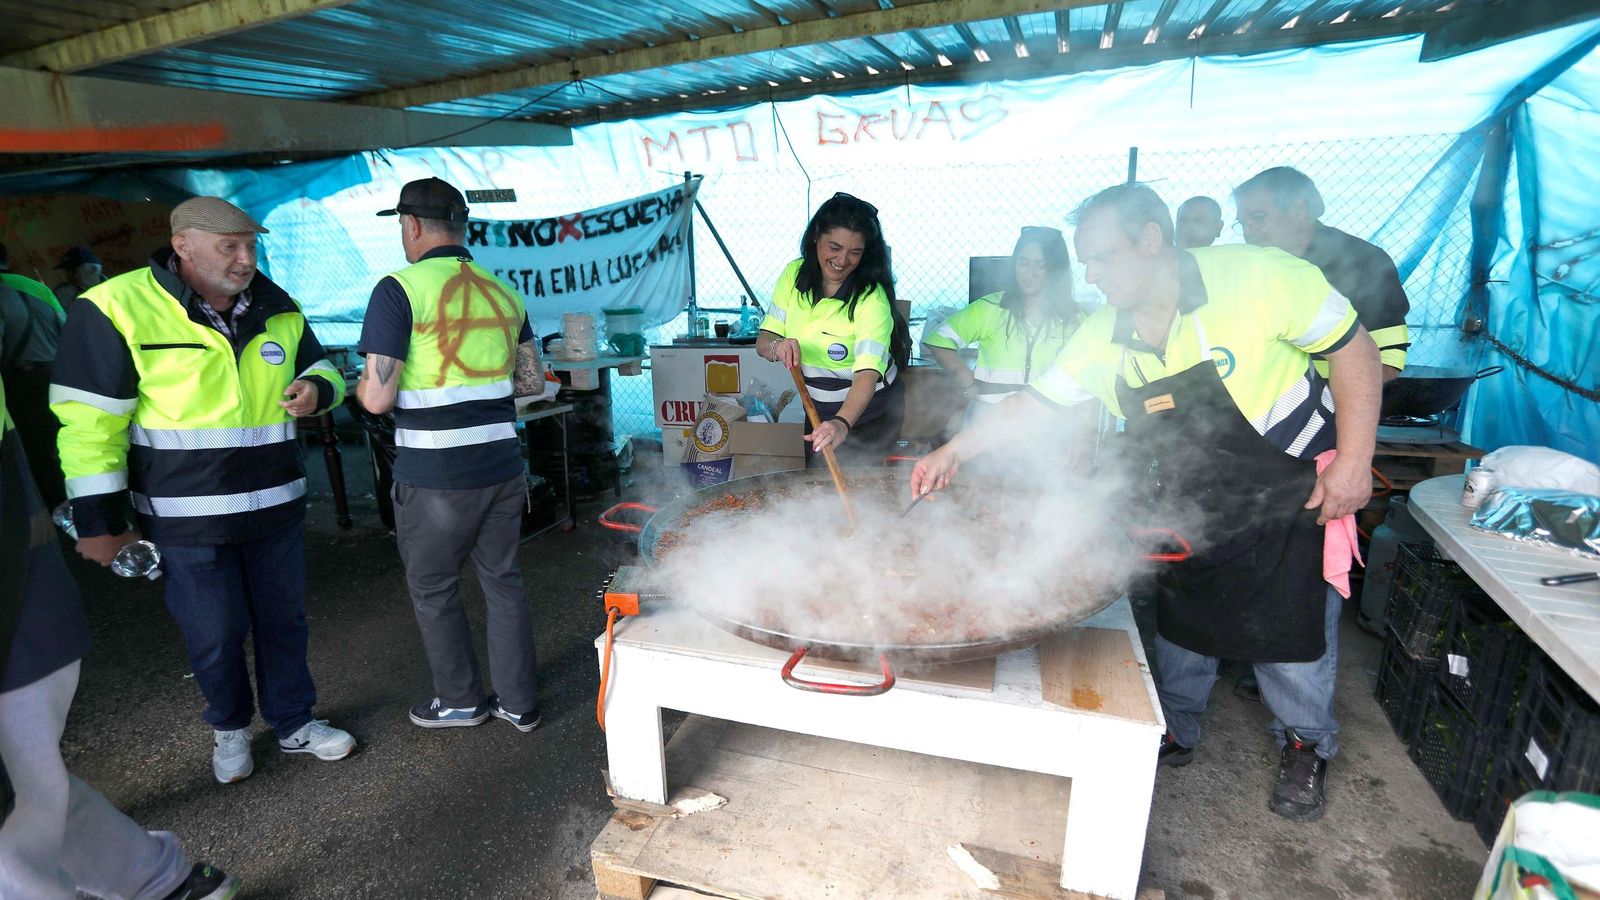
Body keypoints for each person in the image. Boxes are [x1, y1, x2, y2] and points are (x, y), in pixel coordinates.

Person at [912, 184, 1381, 822]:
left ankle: (1305, 744)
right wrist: (954, 452)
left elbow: (1356, 350)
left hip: (1288, 486)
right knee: (1183, 623)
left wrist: (1354, 463)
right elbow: (1032, 405)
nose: (1092, 277)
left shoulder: (1260, 276)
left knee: (1291, 632)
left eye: (1102, 259)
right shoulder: (1103, 333)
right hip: (1190, 495)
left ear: (1151, 239)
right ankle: (1175, 727)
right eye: (1086, 263)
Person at [49, 196, 355, 784]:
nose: (246, 260)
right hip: (185, 519)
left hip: (275, 507)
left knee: (284, 622)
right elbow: (90, 426)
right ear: (183, 245)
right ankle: (230, 728)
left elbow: (324, 368)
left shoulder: (277, 305)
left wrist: (319, 389)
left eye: (251, 246)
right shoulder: (115, 308)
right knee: (213, 632)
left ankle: (293, 722)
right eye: (230, 247)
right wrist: (99, 523)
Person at [1, 358, 239, 898]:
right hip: (28, 591)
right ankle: (157, 878)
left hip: (18, 597)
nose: (244, 264)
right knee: (26, 783)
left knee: (19, 799)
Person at [356, 177, 546, 733]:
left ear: (410, 226)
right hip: (502, 465)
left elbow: (377, 396)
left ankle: (462, 702)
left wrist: (363, 389)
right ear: (462, 226)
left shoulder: (398, 288)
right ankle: (519, 704)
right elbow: (530, 380)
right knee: (503, 582)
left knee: (436, 590)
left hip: (434, 473)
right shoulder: (504, 291)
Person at [756, 192, 910, 466]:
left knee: (861, 484)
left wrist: (840, 423)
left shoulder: (870, 298)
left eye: (855, 252)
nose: (842, 260)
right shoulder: (793, 276)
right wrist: (777, 347)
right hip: (816, 406)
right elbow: (763, 341)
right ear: (816, 236)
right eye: (834, 247)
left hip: (870, 412)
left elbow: (866, 374)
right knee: (818, 484)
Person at [922, 226, 1096, 469]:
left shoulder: (1076, 319)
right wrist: (966, 380)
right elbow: (938, 339)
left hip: (1050, 427)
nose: (1030, 273)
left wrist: (1082, 438)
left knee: (1041, 498)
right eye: (1023, 263)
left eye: (1040, 265)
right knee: (981, 493)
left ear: (1055, 269)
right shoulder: (991, 308)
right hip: (988, 421)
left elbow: (1089, 384)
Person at [1234, 166, 1410, 381]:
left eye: (1258, 218)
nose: (1248, 232)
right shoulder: (1252, 267)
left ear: (1299, 210)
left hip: (1333, 405)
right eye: (1242, 223)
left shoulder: (1364, 262)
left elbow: (1387, 362)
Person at [0, 244, 69, 508]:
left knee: (40, 452)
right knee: (66, 441)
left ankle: (60, 511)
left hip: (25, 385)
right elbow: (65, 325)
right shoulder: (37, 286)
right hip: (58, 373)